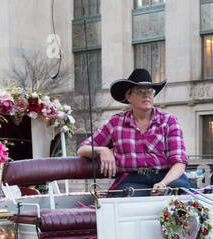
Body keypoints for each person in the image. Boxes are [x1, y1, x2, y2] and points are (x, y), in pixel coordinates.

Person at [76, 67, 196, 196]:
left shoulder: (168, 121)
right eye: (140, 91)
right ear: (129, 96)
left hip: (167, 176)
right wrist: (102, 150)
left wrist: (163, 184)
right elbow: (82, 149)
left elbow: (179, 162)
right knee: (129, 198)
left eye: (150, 91)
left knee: (181, 195)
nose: (146, 95)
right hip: (132, 179)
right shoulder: (116, 123)